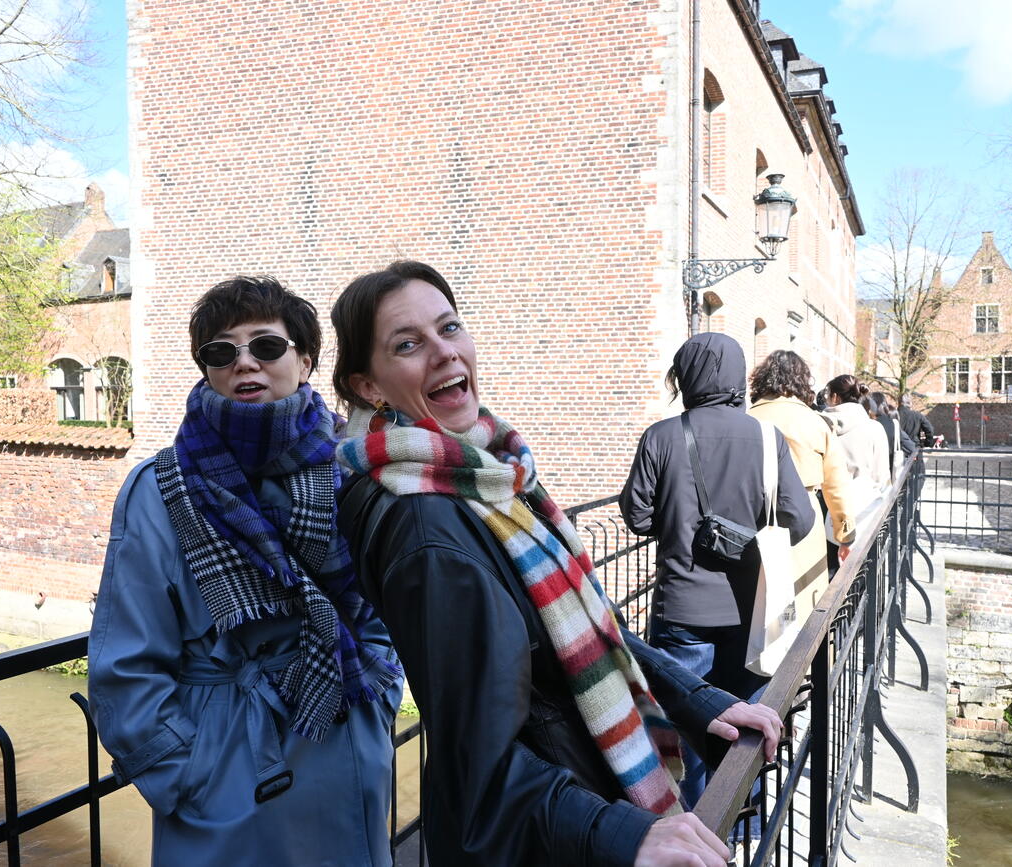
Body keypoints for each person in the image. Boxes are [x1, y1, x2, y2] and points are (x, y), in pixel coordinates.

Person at [330, 261, 783, 867]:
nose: (444, 352)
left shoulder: (485, 476)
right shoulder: (429, 526)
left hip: (569, 805)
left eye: (450, 327)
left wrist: (701, 702)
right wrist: (625, 835)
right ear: (369, 386)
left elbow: (584, 628)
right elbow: (481, 762)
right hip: (544, 837)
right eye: (408, 344)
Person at [88, 277, 402, 865]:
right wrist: (189, 775)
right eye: (221, 351)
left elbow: (382, 608)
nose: (244, 363)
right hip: (228, 772)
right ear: (205, 369)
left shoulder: (353, 469)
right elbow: (125, 661)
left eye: (266, 346)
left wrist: (377, 702)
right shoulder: (161, 488)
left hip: (344, 737)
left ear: (305, 359)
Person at [619, 333, 814, 808]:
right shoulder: (768, 438)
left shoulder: (662, 436)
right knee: (746, 727)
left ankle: (686, 827)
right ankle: (743, 826)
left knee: (684, 727)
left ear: (686, 376)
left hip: (682, 611)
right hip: (754, 614)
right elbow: (802, 520)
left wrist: (679, 520)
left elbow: (636, 516)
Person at [747, 351, 856, 582]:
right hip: (804, 518)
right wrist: (845, 535)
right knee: (803, 596)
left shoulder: (747, 418)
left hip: (753, 517)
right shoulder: (816, 422)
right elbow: (837, 486)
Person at [822, 375, 891, 561]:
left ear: (835, 397)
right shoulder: (875, 428)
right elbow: (882, 476)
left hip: (828, 509)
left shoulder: (821, 426)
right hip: (865, 510)